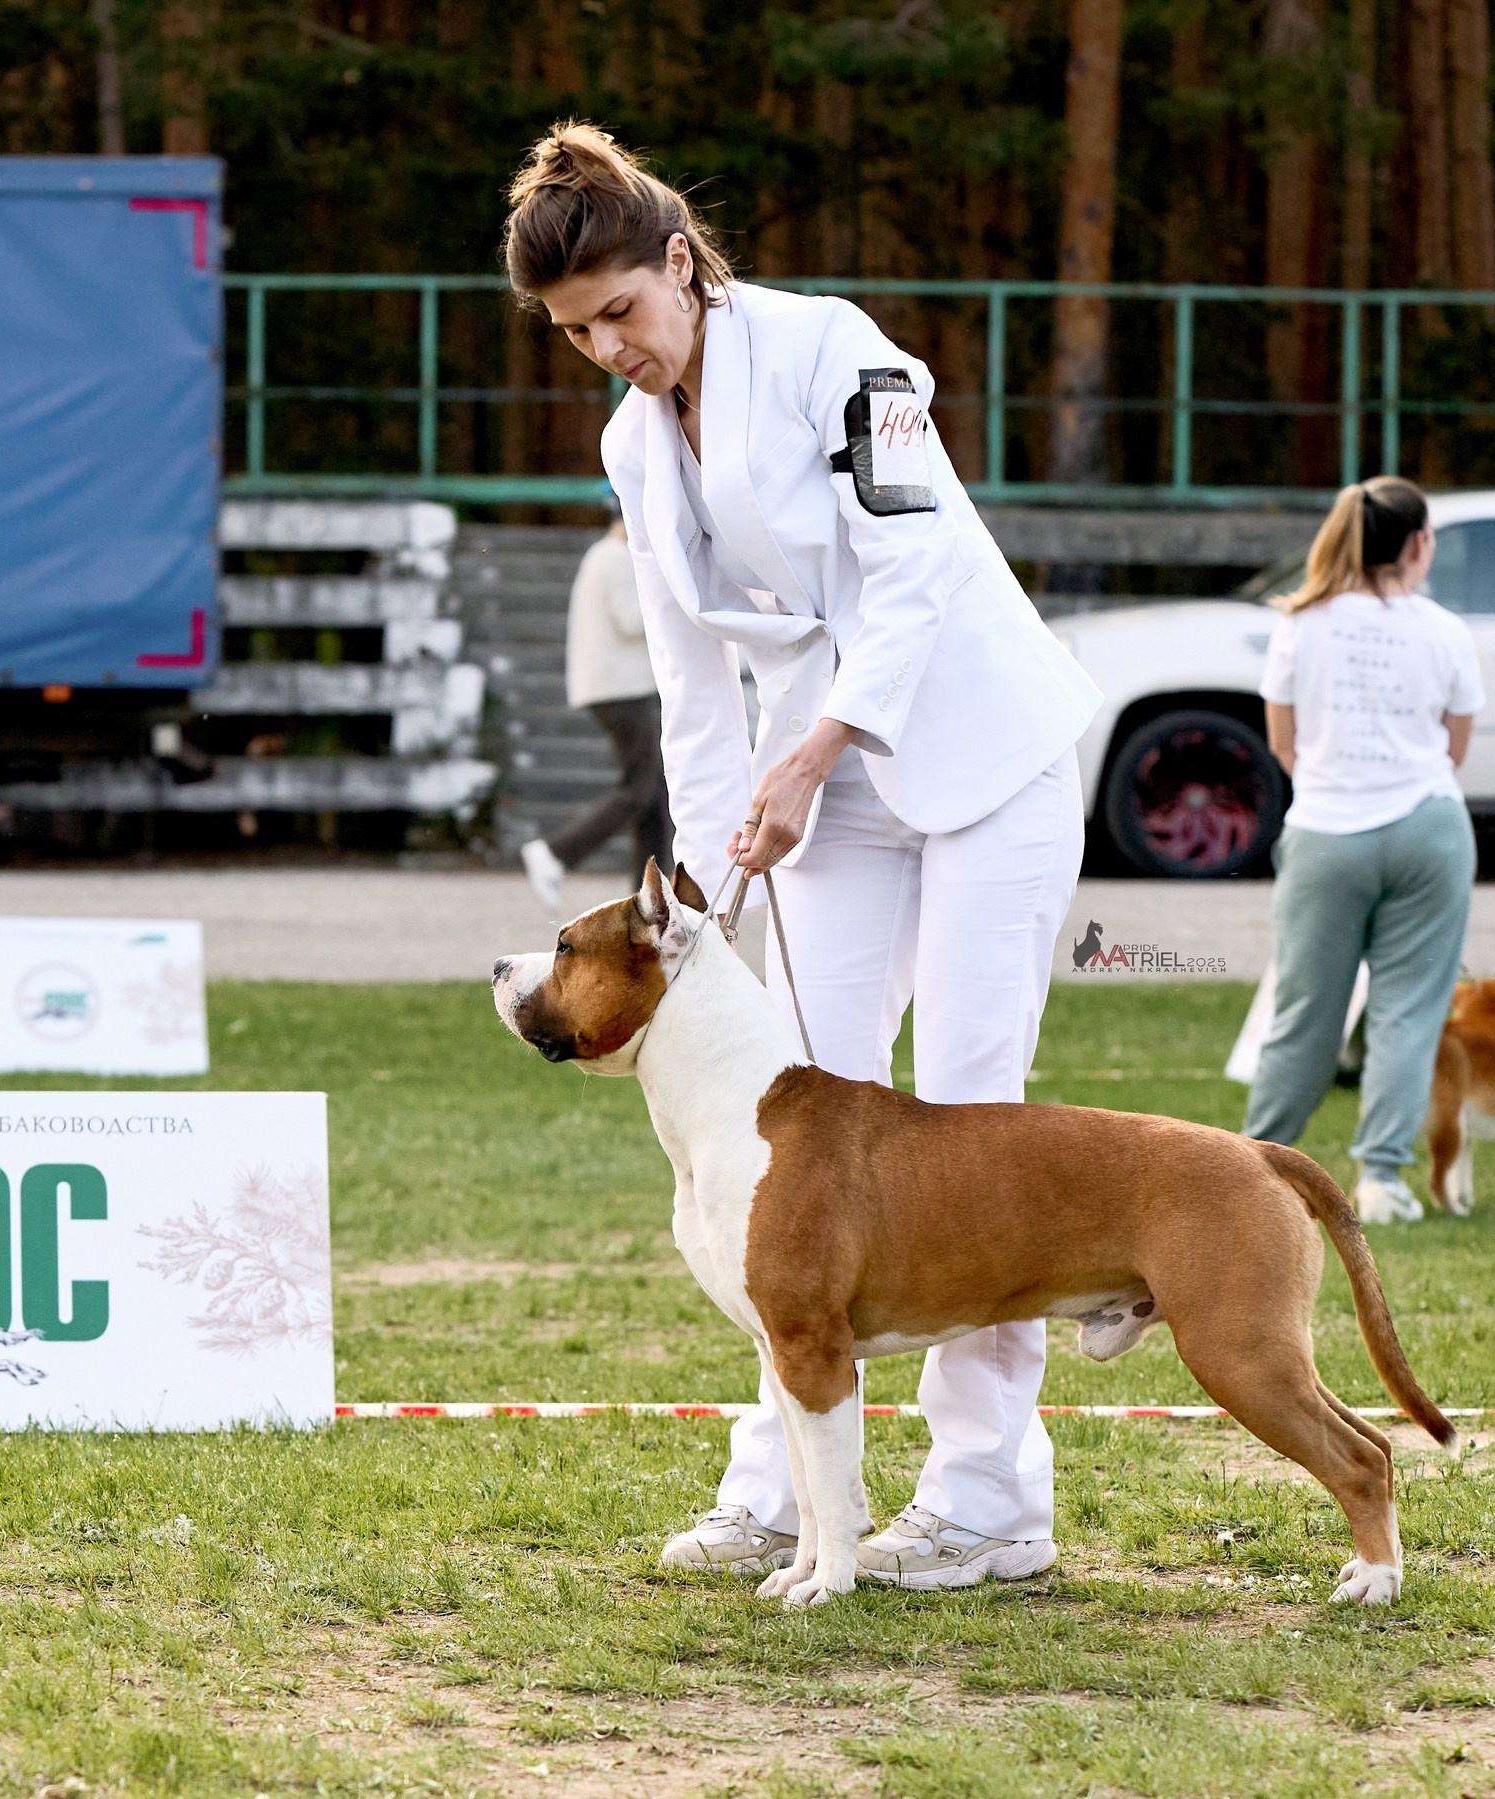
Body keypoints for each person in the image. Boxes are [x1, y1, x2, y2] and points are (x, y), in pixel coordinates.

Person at [502, 122, 1104, 1589]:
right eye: (576, 334)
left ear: (682, 262)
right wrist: (703, 889)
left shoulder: (840, 352)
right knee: (794, 1138)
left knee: (971, 1121)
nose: (610, 351)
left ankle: (987, 1502)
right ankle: (779, 1489)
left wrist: (822, 744)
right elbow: (691, 680)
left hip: (982, 754)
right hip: (819, 794)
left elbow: (914, 568)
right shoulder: (633, 445)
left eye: (621, 312)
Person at [1242, 477, 1483, 1225]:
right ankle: (1381, 1177)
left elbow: (1283, 743)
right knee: (1409, 1011)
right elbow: (1456, 747)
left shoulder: (1299, 623)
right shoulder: (1444, 629)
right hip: (1427, 827)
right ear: (1418, 543)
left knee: (1304, 1010)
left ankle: (1257, 1165)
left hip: (1325, 830)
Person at [520, 513, 674, 909]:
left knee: (653, 794)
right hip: (622, 689)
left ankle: (651, 897)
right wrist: (671, 590)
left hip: (617, 688)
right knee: (639, 789)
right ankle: (556, 853)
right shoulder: (615, 557)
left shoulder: (603, 555)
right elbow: (631, 619)